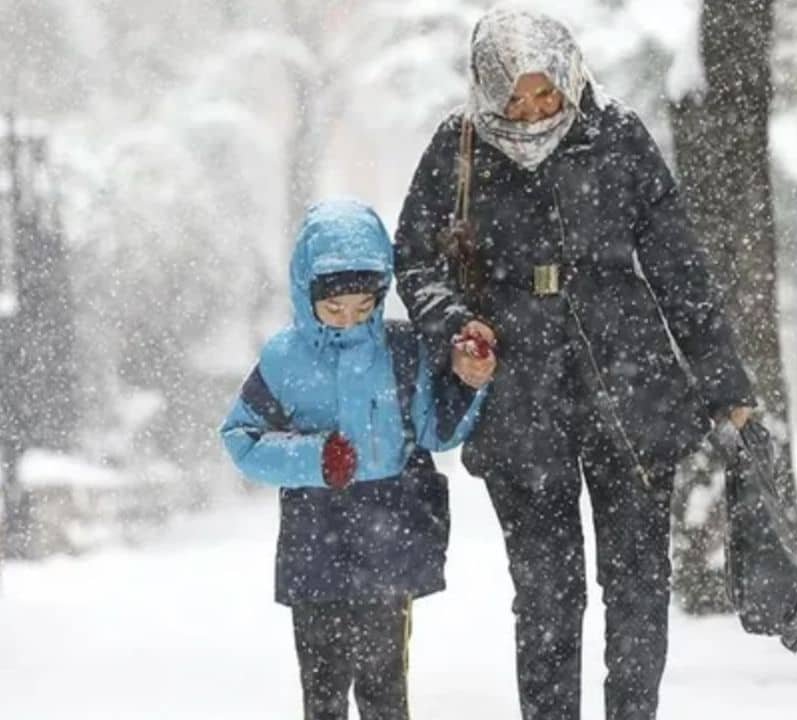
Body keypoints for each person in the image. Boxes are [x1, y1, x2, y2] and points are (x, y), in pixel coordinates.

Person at [393, 8, 754, 720]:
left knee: (639, 585)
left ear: (567, 73)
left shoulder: (616, 137)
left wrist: (725, 383)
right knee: (547, 594)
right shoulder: (457, 146)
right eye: (513, 99)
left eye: (544, 93)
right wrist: (457, 326)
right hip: (519, 398)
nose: (530, 112)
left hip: (630, 387)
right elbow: (416, 260)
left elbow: (680, 270)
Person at [220, 199, 486, 720]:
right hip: (315, 537)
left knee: (385, 689)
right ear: (306, 293)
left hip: (390, 536)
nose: (348, 321)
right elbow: (241, 438)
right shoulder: (284, 359)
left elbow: (434, 431)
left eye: (364, 307)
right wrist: (314, 459)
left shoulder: (402, 350)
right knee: (322, 692)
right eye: (333, 309)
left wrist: (469, 383)